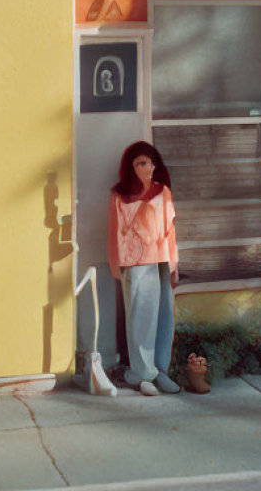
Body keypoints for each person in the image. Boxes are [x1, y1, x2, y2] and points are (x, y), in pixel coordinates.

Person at [108, 141, 181, 396]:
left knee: (163, 316)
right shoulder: (120, 195)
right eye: (140, 163)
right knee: (140, 318)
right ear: (131, 168)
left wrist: (174, 263)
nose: (146, 167)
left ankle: (160, 370)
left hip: (160, 260)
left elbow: (170, 230)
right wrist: (114, 263)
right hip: (134, 264)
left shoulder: (163, 192)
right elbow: (113, 230)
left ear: (155, 165)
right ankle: (141, 373)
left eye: (149, 162)